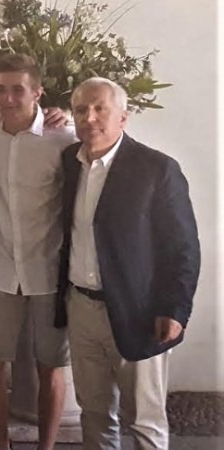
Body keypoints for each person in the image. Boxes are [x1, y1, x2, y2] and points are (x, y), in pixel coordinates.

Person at [58, 77, 199, 450]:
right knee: (94, 413)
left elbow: (183, 247)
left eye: (99, 108)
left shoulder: (157, 169)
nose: (89, 117)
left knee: (144, 420)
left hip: (139, 312)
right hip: (81, 308)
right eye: (80, 109)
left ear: (123, 116)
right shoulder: (69, 163)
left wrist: (175, 309)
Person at [0, 54, 78, 450]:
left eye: (18, 90)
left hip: (47, 269)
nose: (8, 98)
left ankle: (45, 447)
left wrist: (68, 115)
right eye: (1, 89)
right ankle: (1, 445)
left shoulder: (63, 138)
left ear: (37, 92)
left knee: (51, 368)